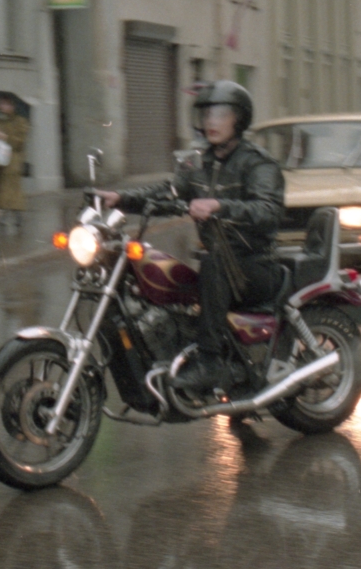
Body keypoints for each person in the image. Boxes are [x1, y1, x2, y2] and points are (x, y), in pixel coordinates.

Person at [96, 81, 285, 393]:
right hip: (222, 266)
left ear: (239, 119)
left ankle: (210, 362)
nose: (211, 121)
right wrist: (120, 198)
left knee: (213, 264)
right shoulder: (199, 162)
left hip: (256, 266)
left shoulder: (257, 162)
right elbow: (169, 191)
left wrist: (219, 206)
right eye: (207, 114)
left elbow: (269, 210)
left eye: (220, 114)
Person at [0, 96, 29, 230]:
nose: (1, 106)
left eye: (5, 104)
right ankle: (9, 215)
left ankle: (12, 216)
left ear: (12, 106)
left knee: (11, 189)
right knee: (1, 189)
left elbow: (20, 142)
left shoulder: (19, 121)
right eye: (0, 103)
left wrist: (5, 137)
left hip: (13, 160)